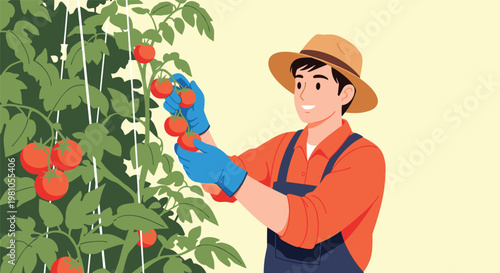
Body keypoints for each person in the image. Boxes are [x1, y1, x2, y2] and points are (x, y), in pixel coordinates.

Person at [164, 34, 385, 273]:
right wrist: (197, 127)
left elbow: (311, 224)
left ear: (345, 94)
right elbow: (221, 186)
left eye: (318, 84)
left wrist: (227, 175)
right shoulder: (283, 146)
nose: (303, 95)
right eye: (300, 83)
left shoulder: (365, 158)